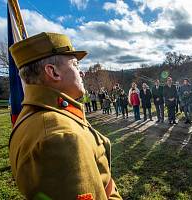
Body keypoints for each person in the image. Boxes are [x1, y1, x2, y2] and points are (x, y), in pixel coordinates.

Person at [8, 32, 121, 199]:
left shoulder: (31, 116)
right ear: (53, 72)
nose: (81, 73)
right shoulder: (60, 136)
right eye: (76, 65)